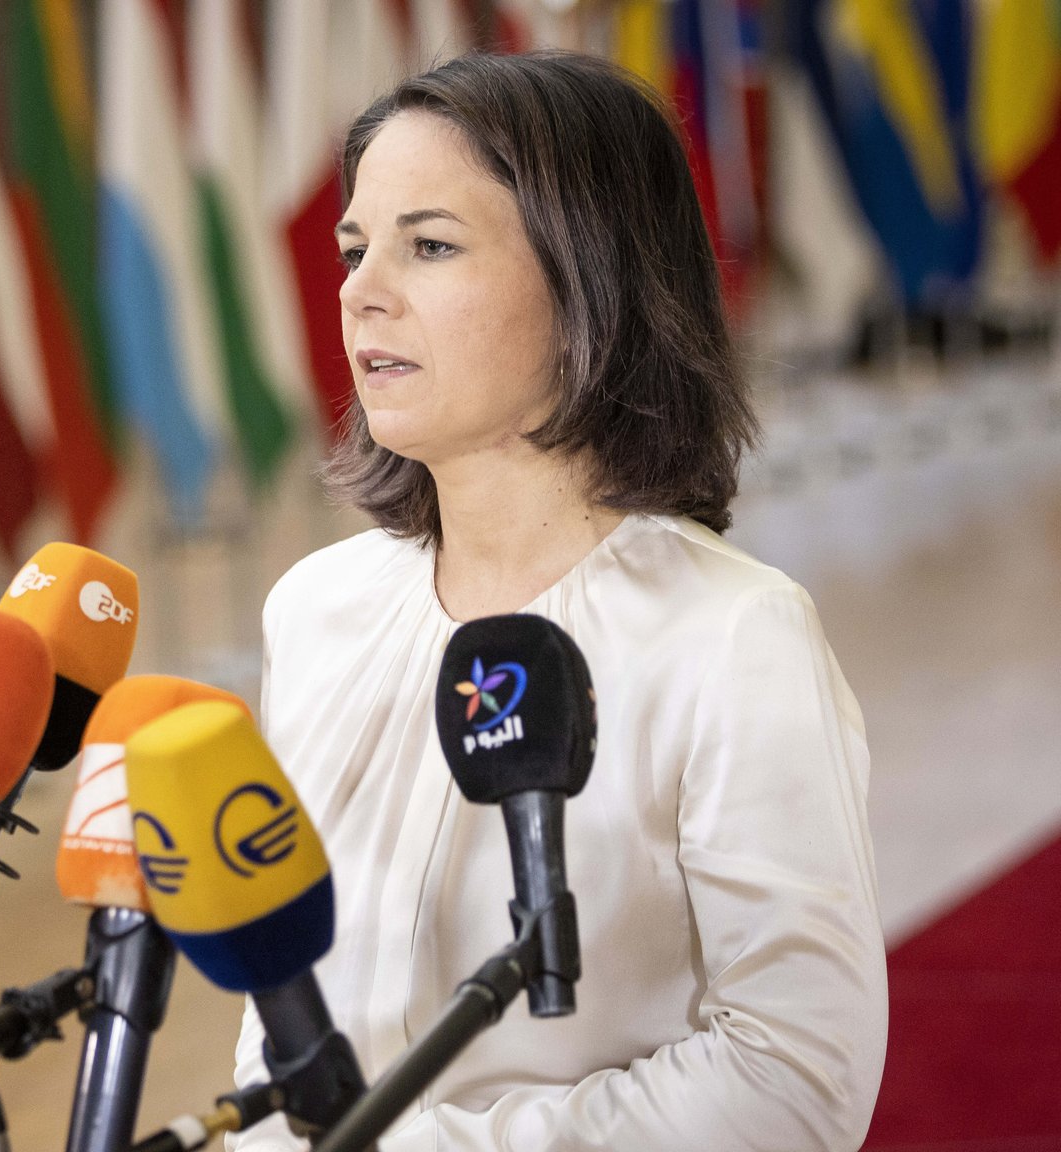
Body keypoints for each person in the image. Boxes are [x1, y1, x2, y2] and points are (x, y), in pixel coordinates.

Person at [232, 52, 886, 1150]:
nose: (358, 290)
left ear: (589, 279)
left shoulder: (730, 635)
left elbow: (794, 1079)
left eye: (428, 245)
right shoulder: (312, 610)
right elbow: (282, 1012)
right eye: (355, 249)